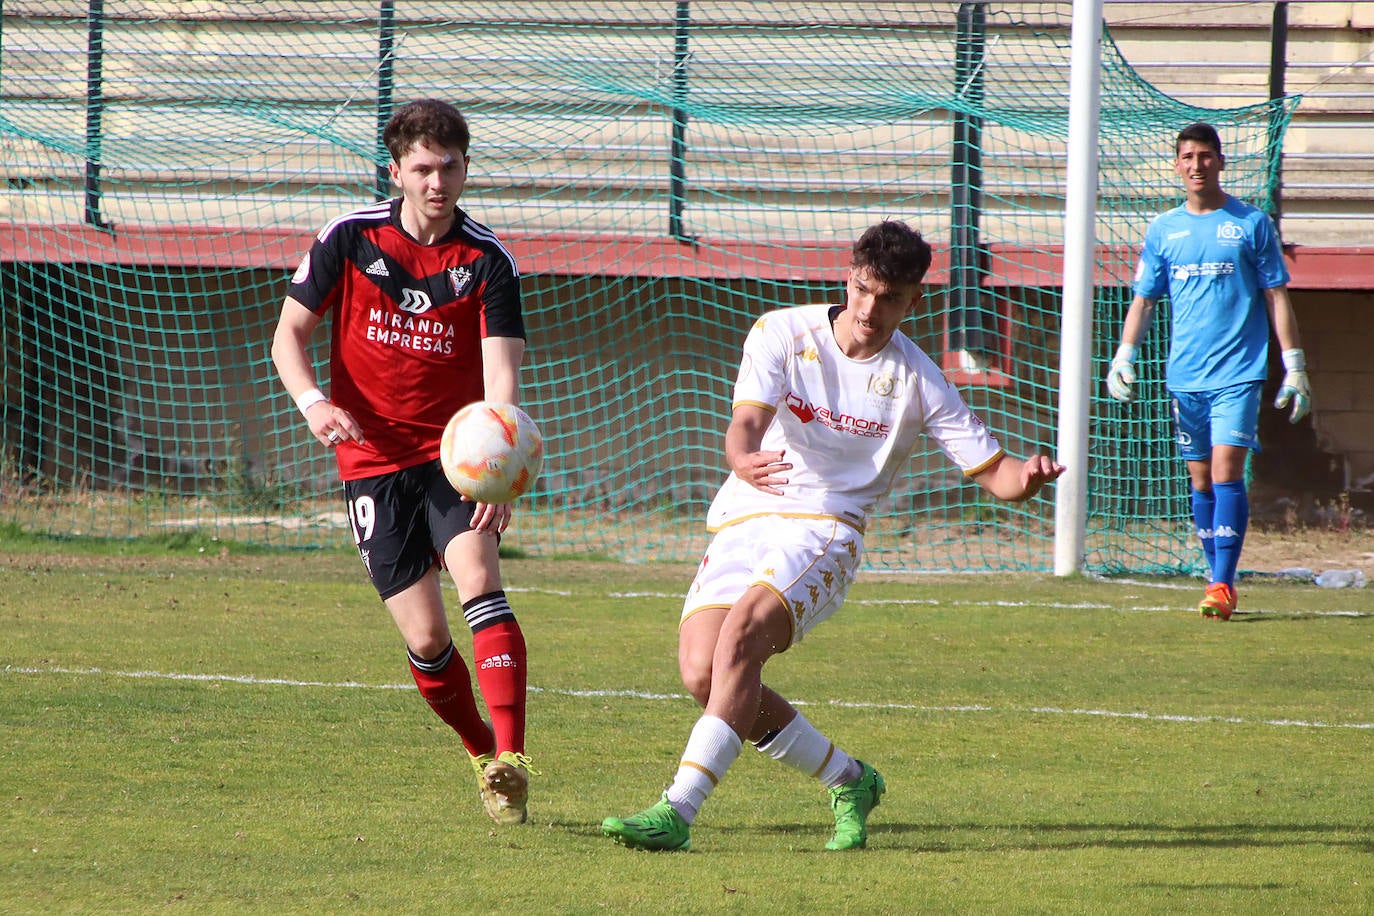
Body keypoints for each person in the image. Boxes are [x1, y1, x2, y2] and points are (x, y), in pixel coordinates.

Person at [600, 220, 1066, 852]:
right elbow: (746, 423)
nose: (872, 310)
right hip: (748, 513)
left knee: (740, 639)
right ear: (849, 278)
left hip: (826, 528)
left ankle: (677, 810)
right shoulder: (782, 332)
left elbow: (999, 475)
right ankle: (851, 779)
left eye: (890, 298)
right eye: (864, 290)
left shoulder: (920, 379)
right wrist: (740, 457)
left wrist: (1029, 476)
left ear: (913, 301)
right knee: (701, 673)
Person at [270, 98, 535, 824]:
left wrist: (501, 467)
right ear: (397, 170)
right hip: (369, 462)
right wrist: (313, 403)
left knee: (478, 577)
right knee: (425, 638)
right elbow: (287, 336)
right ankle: (482, 752)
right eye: (422, 167)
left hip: (453, 460)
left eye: (450, 166)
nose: (437, 180)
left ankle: (512, 757)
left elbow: (501, 384)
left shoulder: (487, 261)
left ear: (466, 167)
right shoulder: (350, 238)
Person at [1106, 121, 1311, 621]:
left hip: (1239, 373)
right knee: (1199, 481)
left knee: (1225, 473)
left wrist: (1295, 366)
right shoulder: (1164, 230)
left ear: (1220, 161)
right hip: (1185, 378)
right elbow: (1144, 300)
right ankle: (1214, 573)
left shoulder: (1251, 224)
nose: (1197, 165)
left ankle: (1223, 583)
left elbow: (1276, 295)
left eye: (1205, 155)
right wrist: (1124, 355)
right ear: (1177, 165)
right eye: (1187, 157)